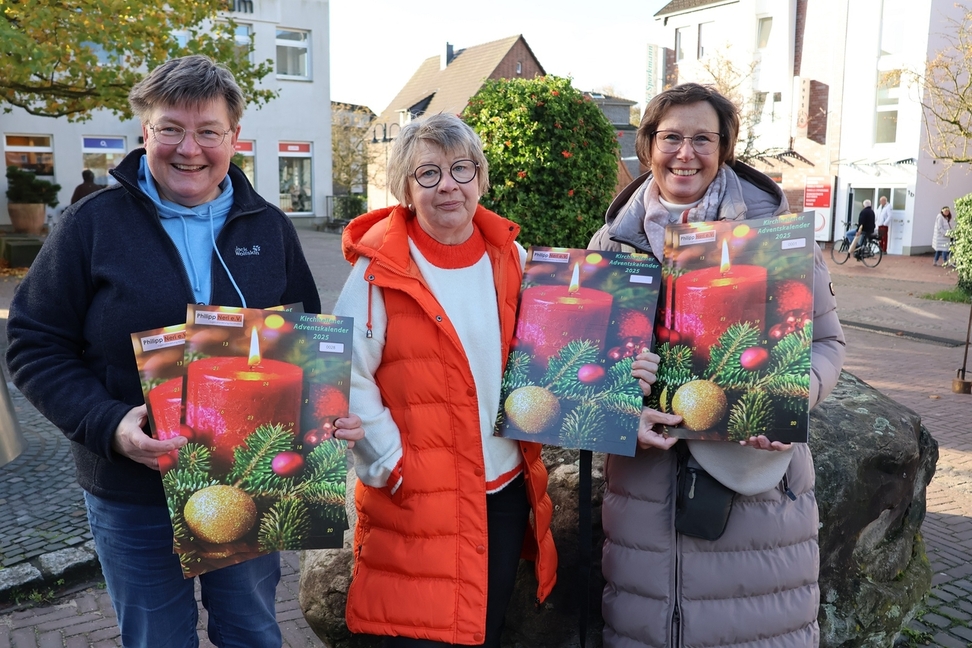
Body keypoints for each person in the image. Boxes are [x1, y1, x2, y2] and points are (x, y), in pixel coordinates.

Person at [4, 55, 359, 648]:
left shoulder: (269, 228)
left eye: (208, 131)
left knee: (252, 630)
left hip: (252, 482)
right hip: (131, 488)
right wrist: (109, 424)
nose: (188, 149)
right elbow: (35, 342)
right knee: (156, 639)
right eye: (170, 128)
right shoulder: (91, 225)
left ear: (233, 138)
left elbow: (307, 347)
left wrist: (326, 411)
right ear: (145, 133)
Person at [588, 82, 846, 647]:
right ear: (646, 145)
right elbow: (592, 367)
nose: (686, 153)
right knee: (648, 628)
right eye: (671, 137)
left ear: (725, 146)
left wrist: (792, 397)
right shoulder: (611, 243)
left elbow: (828, 343)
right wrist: (618, 408)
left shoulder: (777, 235)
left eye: (703, 138)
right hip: (644, 499)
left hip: (754, 495)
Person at [331, 113, 557, 647]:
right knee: (415, 634)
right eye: (428, 173)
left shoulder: (512, 256)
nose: (448, 185)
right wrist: (391, 464)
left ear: (480, 176)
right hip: (418, 493)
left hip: (500, 490)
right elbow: (347, 373)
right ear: (406, 189)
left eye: (461, 168)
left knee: (483, 629)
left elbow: (547, 352)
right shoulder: (376, 269)